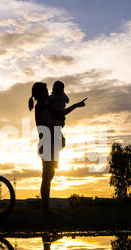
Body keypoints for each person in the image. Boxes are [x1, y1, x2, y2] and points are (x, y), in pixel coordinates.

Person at [28, 82, 86, 217]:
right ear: (41, 93)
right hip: (47, 145)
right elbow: (49, 121)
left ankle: (46, 210)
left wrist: (76, 106)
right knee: (47, 177)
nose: (48, 92)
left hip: (51, 144)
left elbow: (60, 113)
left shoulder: (46, 104)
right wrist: (61, 124)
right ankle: (45, 211)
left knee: (49, 176)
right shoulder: (41, 106)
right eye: (46, 90)